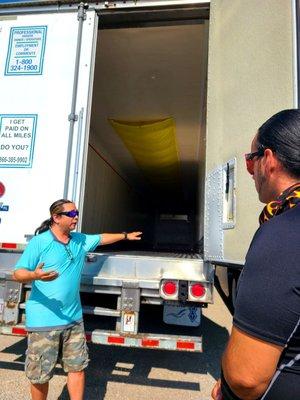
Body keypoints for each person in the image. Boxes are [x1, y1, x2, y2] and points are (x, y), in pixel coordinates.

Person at [13, 199, 142, 400]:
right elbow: (18, 273)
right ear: (56, 218)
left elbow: (101, 238)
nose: (76, 218)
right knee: (40, 376)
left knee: (78, 368)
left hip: (73, 319)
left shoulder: (79, 240)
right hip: (44, 321)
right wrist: (35, 276)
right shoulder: (40, 242)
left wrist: (125, 235)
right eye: (71, 214)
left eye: (77, 213)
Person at [211, 109, 300, 400]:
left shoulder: (284, 232)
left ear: (269, 160)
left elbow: (245, 378)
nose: (250, 172)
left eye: (251, 162)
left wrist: (226, 386)